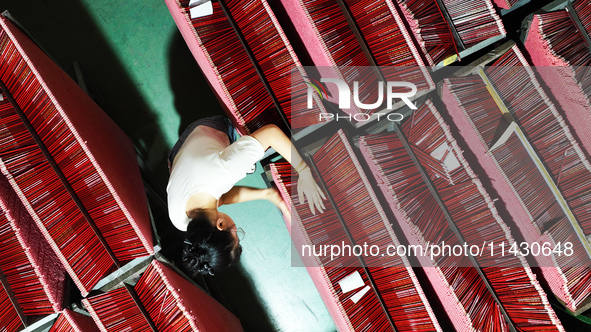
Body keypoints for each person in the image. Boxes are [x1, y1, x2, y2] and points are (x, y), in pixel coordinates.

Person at [167, 115, 325, 277]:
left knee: (250, 165)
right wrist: (267, 194)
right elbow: (220, 199)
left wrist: (303, 171)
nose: (238, 230)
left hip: (211, 126)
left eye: (237, 233)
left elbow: (271, 133)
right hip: (180, 150)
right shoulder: (181, 221)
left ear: (221, 224)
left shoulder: (225, 171)